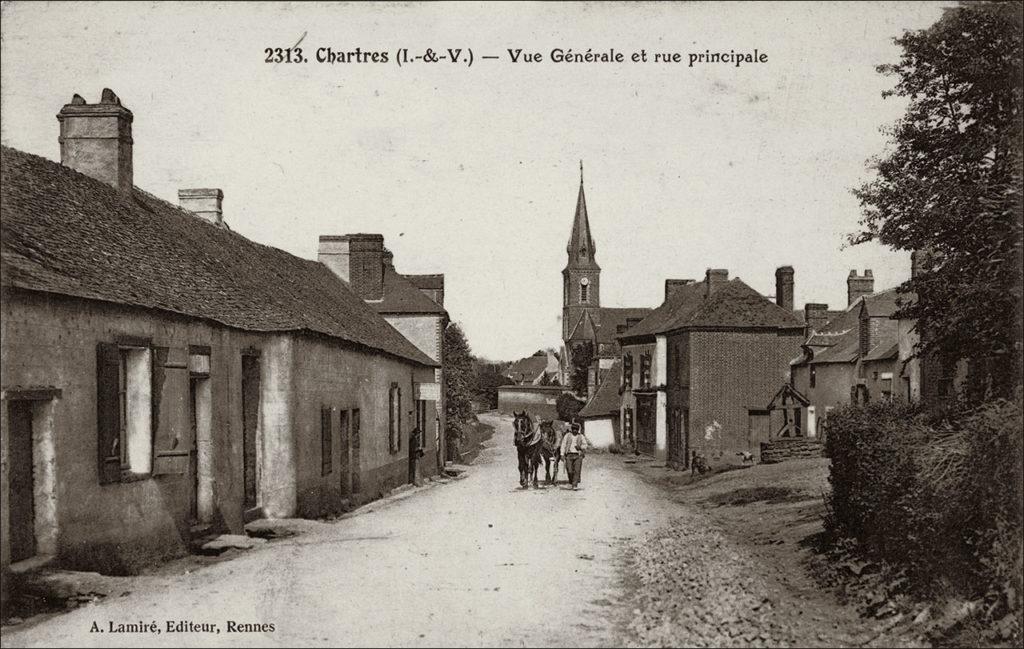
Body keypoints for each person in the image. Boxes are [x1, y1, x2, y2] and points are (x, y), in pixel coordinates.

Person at [559, 421, 591, 490]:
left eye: (576, 429)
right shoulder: (567, 435)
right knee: (569, 470)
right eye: (574, 429)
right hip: (569, 455)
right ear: (572, 429)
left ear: (578, 429)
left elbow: (585, 445)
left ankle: (574, 485)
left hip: (578, 455)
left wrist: (580, 447)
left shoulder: (581, 436)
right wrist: (562, 454)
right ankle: (571, 481)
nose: (575, 430)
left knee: (577, 470)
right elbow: (563, 445)